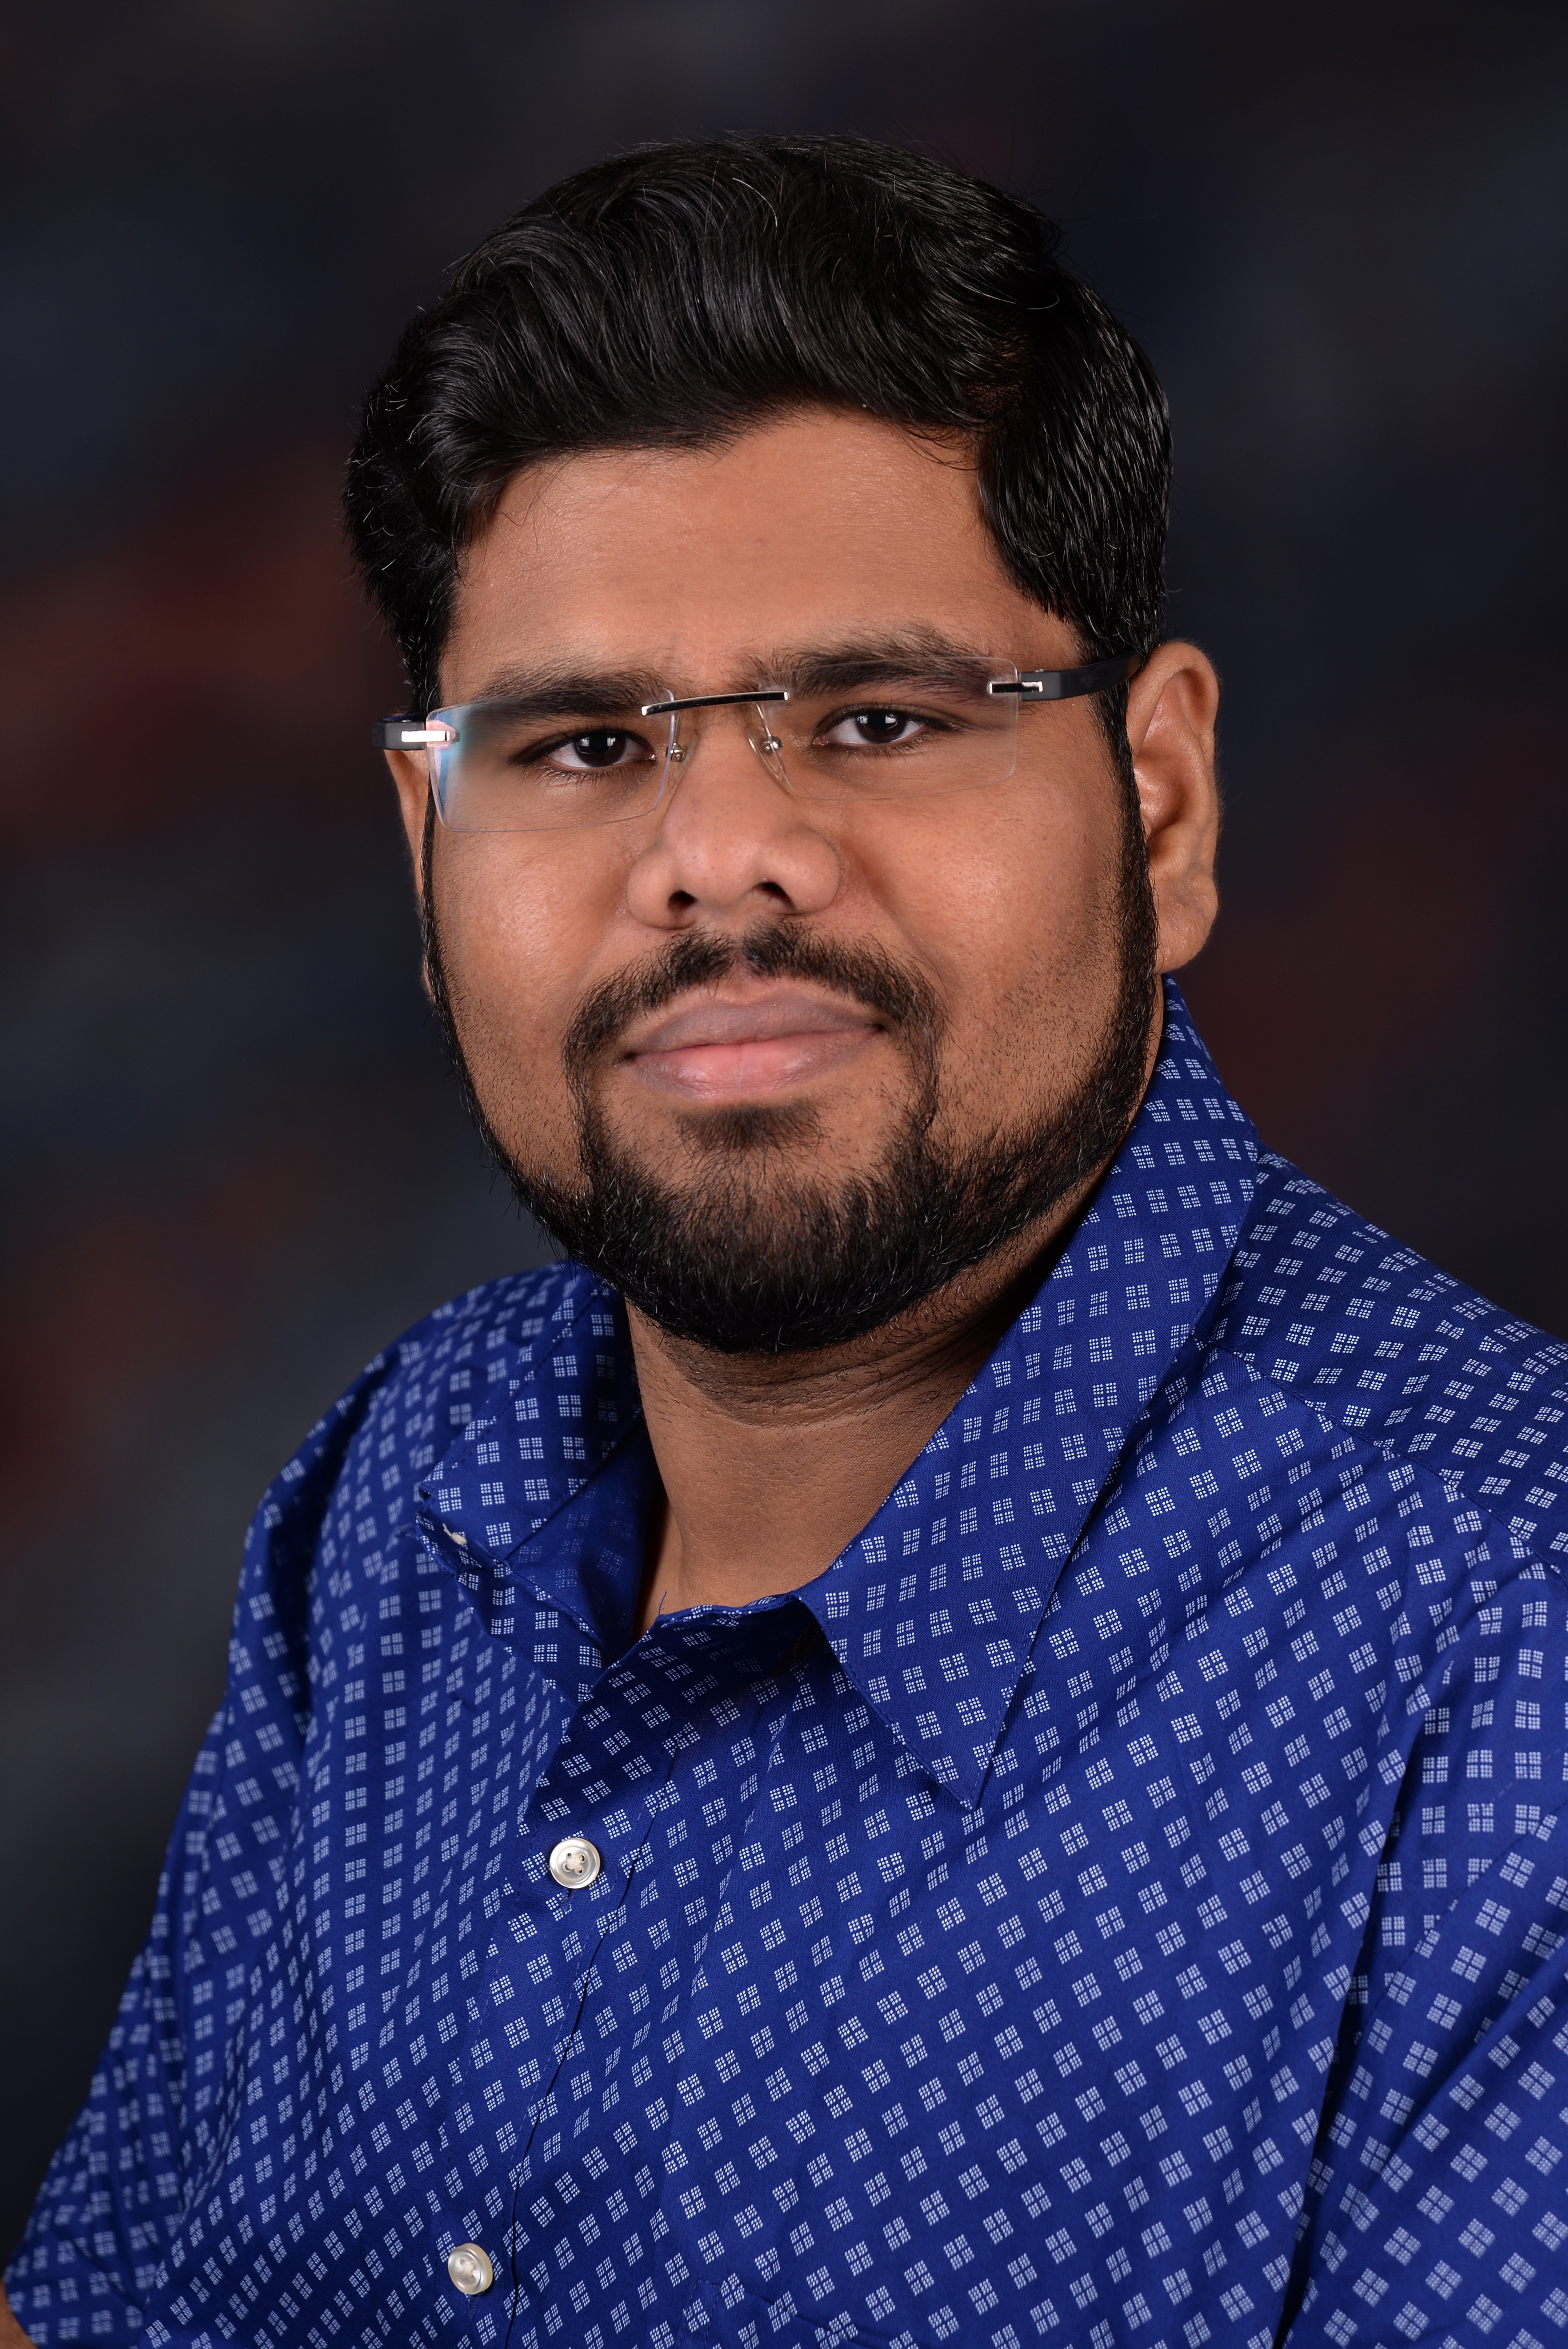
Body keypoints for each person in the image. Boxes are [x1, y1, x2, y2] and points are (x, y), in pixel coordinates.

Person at [7, 132, 1568, 2349]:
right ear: (427, 850)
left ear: (1161, 803)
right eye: (582, 745)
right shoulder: (405, 1485)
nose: (721, 858)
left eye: (881, 719)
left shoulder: (1509, 1659)